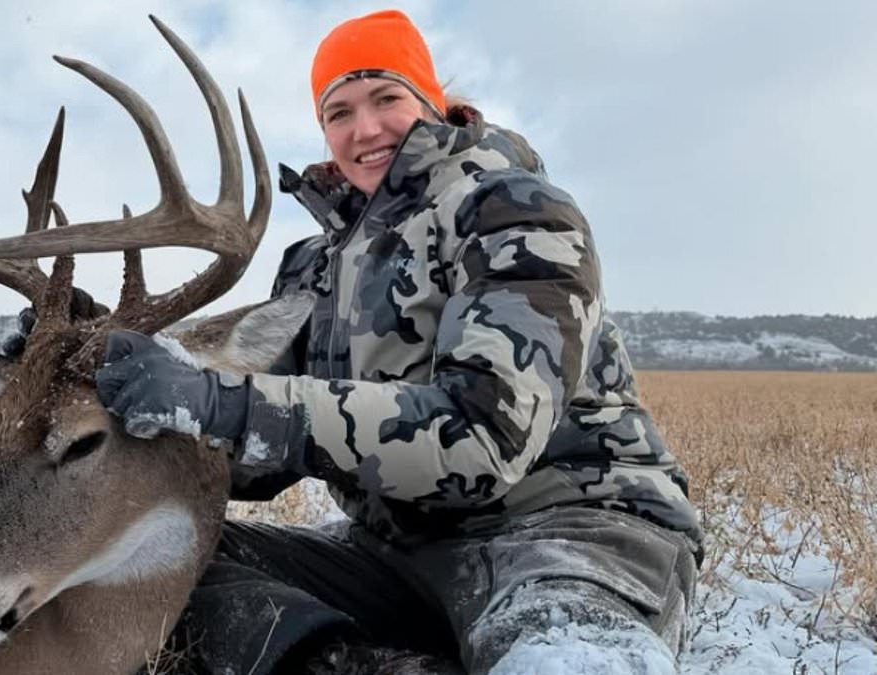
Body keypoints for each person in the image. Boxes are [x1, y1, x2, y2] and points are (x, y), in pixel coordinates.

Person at [93, 9, 703, 674]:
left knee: (563, 659)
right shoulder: (315, 266)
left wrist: (221, 401)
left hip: (568, 534)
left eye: (387, 98)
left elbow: (482, 440)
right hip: (395, 559)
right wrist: (93, 365)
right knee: (150, 566)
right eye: (340, 112)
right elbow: (254, 451)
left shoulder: (514, 210)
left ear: (432, 102)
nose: (366, 129)